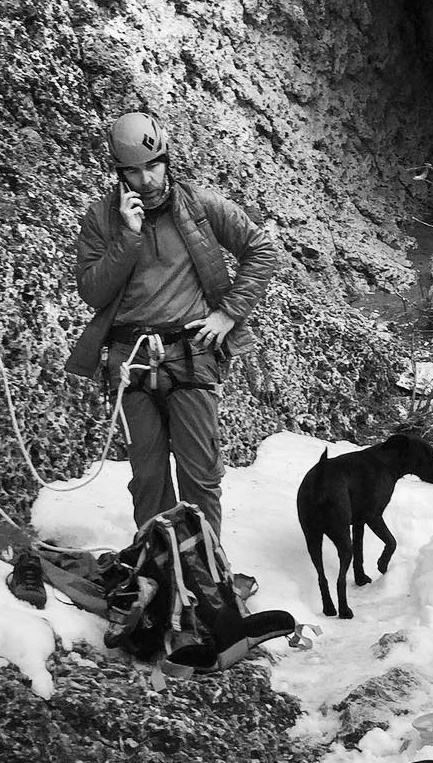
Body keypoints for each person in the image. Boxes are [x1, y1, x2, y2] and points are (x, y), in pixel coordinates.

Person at [64, 111, 278, 541]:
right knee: (148, 479)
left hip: (191, 353)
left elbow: (260, 249)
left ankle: (206, 567)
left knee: (200, 476)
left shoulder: (200, 205)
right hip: (131, 359)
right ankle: (159, 567)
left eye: (153, 166)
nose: (146, 179)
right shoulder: (102, 218)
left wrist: (227, 314)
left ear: (166, 160)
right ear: (119, 173)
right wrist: (128, 235)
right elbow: (92, 291)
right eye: (133, 171)